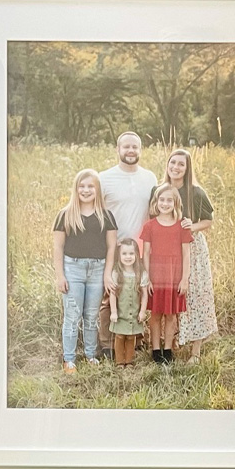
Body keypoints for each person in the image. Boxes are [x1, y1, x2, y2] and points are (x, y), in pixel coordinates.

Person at [98, 132, 158, 359]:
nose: (130, 151)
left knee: (137, 291)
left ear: (140, 149)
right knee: (110, 292)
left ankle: (136, 339)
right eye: (126, 147)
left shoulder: (150, 178)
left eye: (135, 147)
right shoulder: (105, 178)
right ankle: (107, 345)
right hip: (113, 246)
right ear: (118, 149)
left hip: (142, 248)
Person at [52, 170, 118, 374]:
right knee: (72, 316)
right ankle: (69, 359)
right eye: (82, 186)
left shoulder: (106, 216)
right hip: (73, 269)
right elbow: (58, 247)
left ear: (97, 189)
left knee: (91, 316)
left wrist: (107, 274)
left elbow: (111, 248)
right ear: (76, 189)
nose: (86, 190)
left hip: (97, 270)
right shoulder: (65, 214)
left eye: (90, 186)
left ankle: (90, 355)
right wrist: (60, 275)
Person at [161, 150, 218, 363]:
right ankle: (172, 342)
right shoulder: (160, 191)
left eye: (181, 164)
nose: (176, 167)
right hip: (167, 250)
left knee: (195, 296)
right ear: (167, 165)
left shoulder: (195, 192)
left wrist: (192, 226)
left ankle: (195, 351)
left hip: (193, 250)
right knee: (172, 296)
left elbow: (208, 221)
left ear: (187, 168)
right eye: (172, 162)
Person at [138, 185, 192, 365]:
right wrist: (147, 278)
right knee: (156, 314)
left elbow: (186, 254)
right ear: (156, 202)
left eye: (169, 200)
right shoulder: (150, 226)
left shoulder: (182, 226)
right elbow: (145, 253)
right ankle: (155, 349)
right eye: (162, 200)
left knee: (170, 314)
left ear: (176, 203)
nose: (165, 203)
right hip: (156, 274)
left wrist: (184, 279)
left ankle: (167, 349)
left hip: (174, 274)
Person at [108, 238, 150, 366]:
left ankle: (129, 361)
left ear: (137, 255)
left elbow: (144, 295)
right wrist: (114, 312)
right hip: (121, 313)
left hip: (134, 313)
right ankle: (120, 362)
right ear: (119, 255)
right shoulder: (116, 273)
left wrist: (142, 311)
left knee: (131, 336)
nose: (128, 257)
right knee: (120, 336)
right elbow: (113, 294)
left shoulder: (141, 273)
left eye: (131, 254)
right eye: (124, 254)